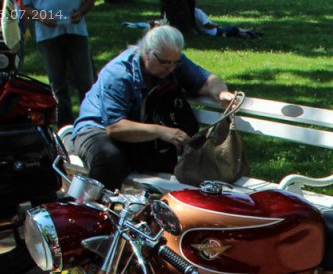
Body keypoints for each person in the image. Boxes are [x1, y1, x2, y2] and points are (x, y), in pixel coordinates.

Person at [69, 25, 237, 188]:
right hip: (96, 129)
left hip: (141, 134)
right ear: (147, 53)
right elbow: (114, 127)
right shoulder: (119, 74)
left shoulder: (171, 59)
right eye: (164, 63)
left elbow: (208, 80)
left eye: (175, 63)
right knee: (110, 159)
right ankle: (95, 205)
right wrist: (162, 132)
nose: (170, 68)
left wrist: (221, 93)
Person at [24, 0, 96, 128]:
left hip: (77, 32)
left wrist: (80, 12)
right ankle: (65, 128)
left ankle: (92, 124)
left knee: (85, 83)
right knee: (58, 86)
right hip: (48, 36)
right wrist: (40, 16)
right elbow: (25, 7)